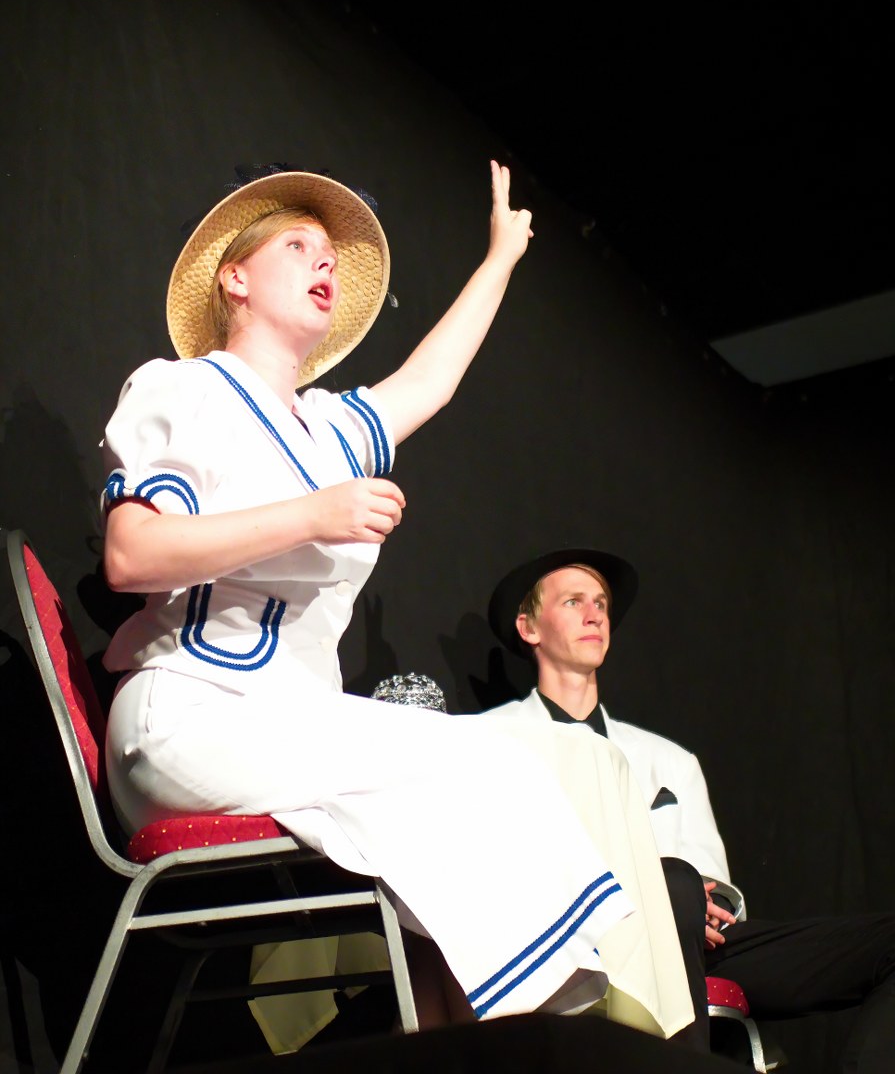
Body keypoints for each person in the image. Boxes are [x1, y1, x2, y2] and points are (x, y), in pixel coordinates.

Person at [98, 161, 693, 1037]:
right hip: (191, 714)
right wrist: (315, 515)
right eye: (297, 245)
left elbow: (432, 380)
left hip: (286, 725)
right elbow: (131, 554)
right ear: (235, 278)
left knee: (456, 819)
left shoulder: (330, 428)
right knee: (480, 769)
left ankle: (485, 1036)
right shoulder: (184, 388)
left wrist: (501, 257)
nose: (324, 260)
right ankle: (565, 1031)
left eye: (330, 253)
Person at [483, 546, 895, 1069]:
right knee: (673, 883)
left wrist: (705, 899)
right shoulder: (491, 742)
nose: (594, 615)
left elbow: (716, 887)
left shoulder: (668, 760)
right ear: (529, 628)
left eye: (601, 604)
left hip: (692, 943)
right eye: (573, 602)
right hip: (569, 944)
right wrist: (660, 891)